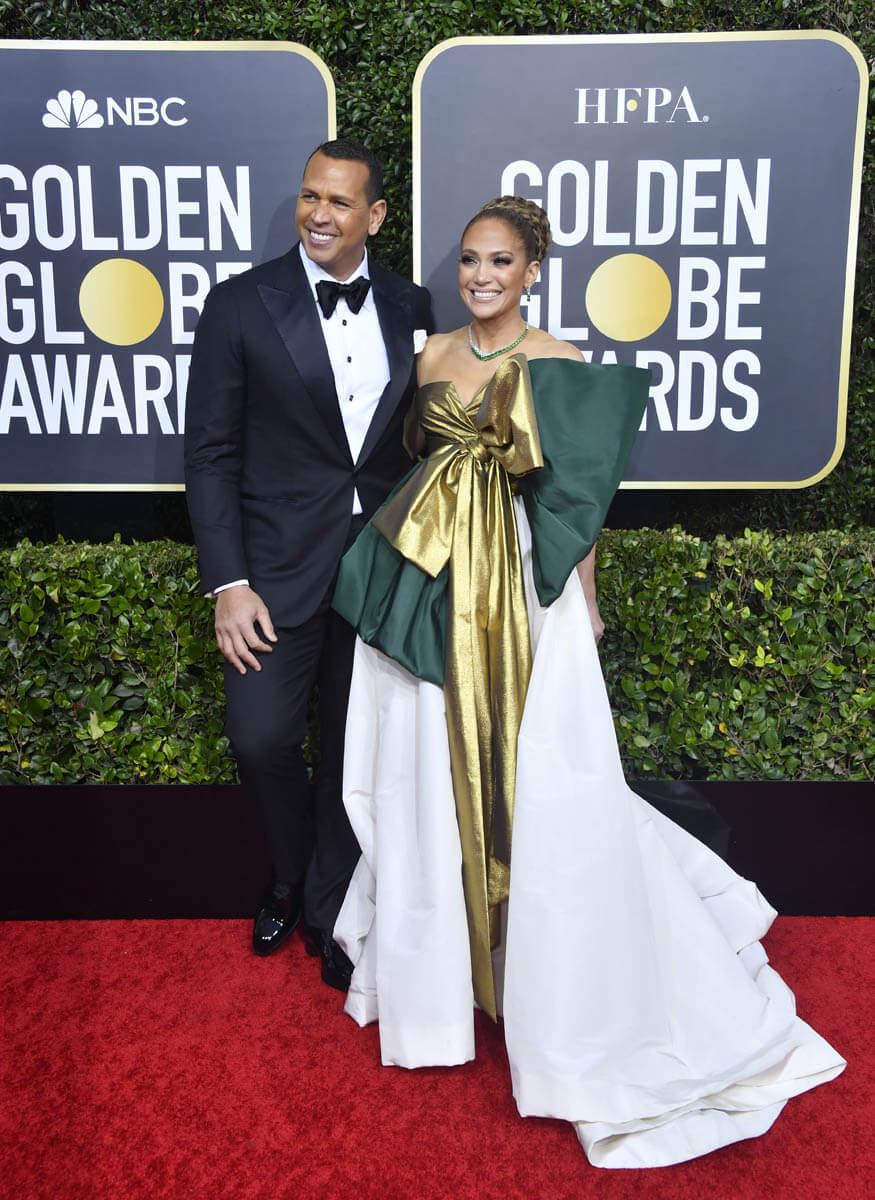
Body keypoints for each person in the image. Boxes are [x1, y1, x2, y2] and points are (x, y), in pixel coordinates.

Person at [330, 196, 845, 1166]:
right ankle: (446, 968)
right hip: (433, 583)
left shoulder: (561, 361)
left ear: (531, 271)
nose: (480, 277)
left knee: (547, 777)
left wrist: (586, 601)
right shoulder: (429, 355)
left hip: (525, 590)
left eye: (499, 262)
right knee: (426, 766)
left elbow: (577, 500)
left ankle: (549, 969)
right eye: (470, 260)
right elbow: (413, 470)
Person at [184, 138, 433, 990]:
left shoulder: (410, 303)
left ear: (376, 215)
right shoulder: (238, 305)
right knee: (260, 737)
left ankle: (332, 910)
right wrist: (229, 583)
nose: (318, 215)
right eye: (308, 197)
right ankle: (289, 876)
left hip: (379, 567)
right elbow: (210, 454)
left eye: (339, 202)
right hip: (274, 570)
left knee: (353, 748)